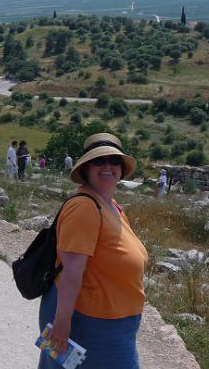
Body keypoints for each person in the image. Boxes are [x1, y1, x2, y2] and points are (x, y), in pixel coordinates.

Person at [38, 132, 148, 369]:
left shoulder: (110, 204)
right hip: (89, 322)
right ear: (87, 168)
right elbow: (72, 271)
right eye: (99, 161)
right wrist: (62, 323)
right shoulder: (84, 207)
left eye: (114, 160)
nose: (107, 166)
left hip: (112, 321)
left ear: (121, 168)